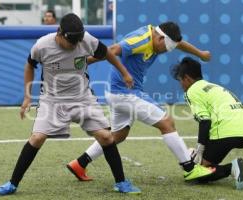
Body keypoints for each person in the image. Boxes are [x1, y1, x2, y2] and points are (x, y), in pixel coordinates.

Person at [0, 13, 141, 196]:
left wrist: (124, 73)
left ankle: (121, 182)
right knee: (37, 138)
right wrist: (27, 97)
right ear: (59, 33)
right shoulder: (42, 45)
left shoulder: (86, 40)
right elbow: (29, 66)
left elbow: (107, 53)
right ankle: (12, 184)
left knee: (106, 137)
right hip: (52, 99)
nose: (75, 46)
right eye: (72, 42)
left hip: (82, 97)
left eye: (78, 42)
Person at [67, 22, 215, 183]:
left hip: (116, 93)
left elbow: (179, 44)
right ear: (159, 38)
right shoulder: (140, 41)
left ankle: (80, 163)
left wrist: (200, 53)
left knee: (118, 135)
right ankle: (190, 168)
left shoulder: (160, 38)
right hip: (125, 92)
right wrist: (85, 62)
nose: (165, 51)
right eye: (165, 47)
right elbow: (112, 50)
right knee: (167, 122)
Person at [171, 57, 243, 190]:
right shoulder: (213, 86)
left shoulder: (192, 91)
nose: (181, 85)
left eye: (180, 80)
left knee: (196, 174)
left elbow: (205, 121)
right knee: (205, 165)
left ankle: (231, 168)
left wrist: (200, 149)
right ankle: (229, 167)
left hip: (227, 131)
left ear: (187, 78)